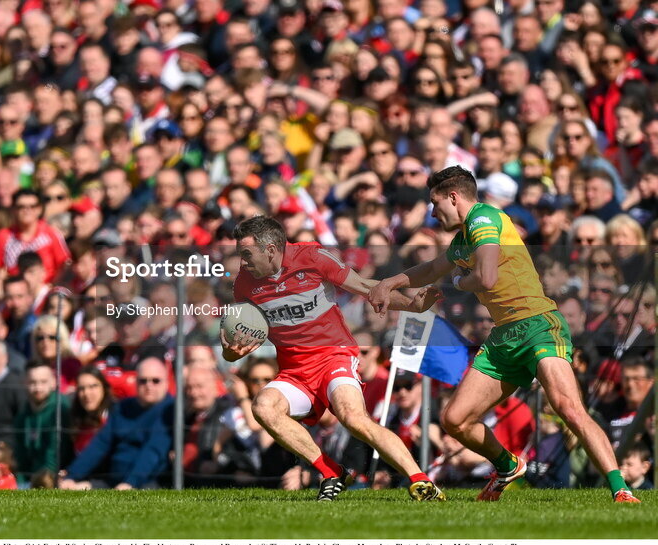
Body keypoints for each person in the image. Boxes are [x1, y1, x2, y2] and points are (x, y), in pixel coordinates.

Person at [368, 166, 640, 503]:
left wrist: (456, 282)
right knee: (455, 419)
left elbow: (485, 277)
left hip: (538, 324)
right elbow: (430, 268)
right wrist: (389, 282)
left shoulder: (484, 219)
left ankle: (621, 489)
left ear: (454, 197)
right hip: (504, 336)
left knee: (568, 407)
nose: (434, 213)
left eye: (436, 203)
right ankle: (509, 466)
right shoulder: (462, 239)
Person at [221, 215, 445, 501]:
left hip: (334, 355)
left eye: (246, 254)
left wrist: (412, 305)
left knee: (353, 418)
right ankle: (331, 471)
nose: (242, 262)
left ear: (270, 250)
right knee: (264, 407)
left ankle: (421, 482)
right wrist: (231, 351)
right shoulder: (244, 283)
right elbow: (235, 340)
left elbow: (364, 287)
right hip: (294, 370)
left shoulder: (312, 257)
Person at [59, 357, 174, 490]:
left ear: (166, 383)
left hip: (148, 483)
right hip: (112, 481)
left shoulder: (169, 410)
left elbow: (153, 451)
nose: (149, 386)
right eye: (143, 381)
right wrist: (72, 475)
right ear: (135, 382)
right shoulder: (123, 407)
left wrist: (131, 483)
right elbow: (100, 444)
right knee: (71, 488)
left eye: (155, 381)